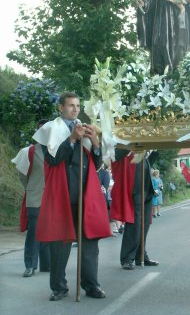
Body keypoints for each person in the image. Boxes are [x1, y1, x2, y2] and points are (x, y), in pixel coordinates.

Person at [32, 92, 110, 301]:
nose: (75, 109)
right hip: (62, 194)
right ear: (60, 107)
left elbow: (97, 163)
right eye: (70, 105)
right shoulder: (50, 129)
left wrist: (94, 143)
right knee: (59, 243)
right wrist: (73, 139)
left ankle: (91, 284)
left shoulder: (84, 128)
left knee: (89, 243)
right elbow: (53, 159)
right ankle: (59, 287)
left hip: (85, 194)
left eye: (77, 105)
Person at [12, 119, 50, 277]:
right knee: (34, 232)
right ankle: (30, 265)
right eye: (40, 130)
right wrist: (32, 187)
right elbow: (22, 175)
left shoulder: (59, 150)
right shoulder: (29, 151)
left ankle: (47, 265)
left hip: (54, 198)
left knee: (50, 231)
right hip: (35, 197)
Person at [110, 149, 159, 270]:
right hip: (135, 192)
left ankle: (141, 256)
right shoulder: (124, 148)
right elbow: (114, 156)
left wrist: (155, 151)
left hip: (147, 191)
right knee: (135, 226)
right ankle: (127, 258)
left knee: (144, 225)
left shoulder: (142, 151)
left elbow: (148, 165)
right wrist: (132, 145)